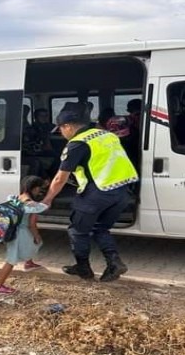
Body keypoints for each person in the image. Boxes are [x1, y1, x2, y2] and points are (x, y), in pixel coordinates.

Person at [42, 109, 138, 282]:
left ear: (68, 127)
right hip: (122, 191)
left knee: (77, 231)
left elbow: (59, 179)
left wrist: (47, 199)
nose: (61, 133)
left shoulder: (77, 143)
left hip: (97, 192)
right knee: (100, 228)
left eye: (61, 129)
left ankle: (83, 268)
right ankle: (114, 263)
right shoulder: (107, 135)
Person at [0, 176, 49, 295]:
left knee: (30, 246)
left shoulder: (14, 198)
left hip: (11, 231)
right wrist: (37, 236)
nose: (40, 191)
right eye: (39, 188)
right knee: (11, 260)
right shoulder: (32, 205)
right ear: (34, 188)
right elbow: (32, 224)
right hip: (21, 233)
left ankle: (29, 262)